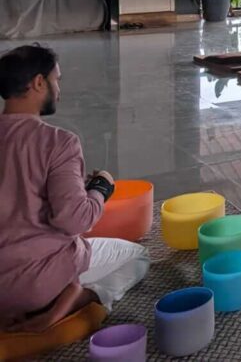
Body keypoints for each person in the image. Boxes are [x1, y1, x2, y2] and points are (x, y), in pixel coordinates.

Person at [0, 45, 149, 332]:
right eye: (56, 80)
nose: (59, 90)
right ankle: (76, 298)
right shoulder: (59, 143)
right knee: (137, 256)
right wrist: (101, 188)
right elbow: (74, 220)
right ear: (38, 82)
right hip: (37, 285)